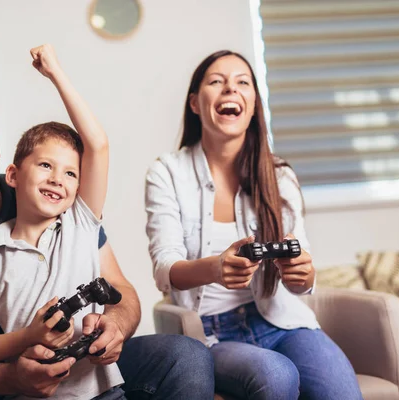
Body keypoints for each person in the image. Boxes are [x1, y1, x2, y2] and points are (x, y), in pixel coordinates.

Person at [0, 44, 214, 400]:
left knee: (187, 357)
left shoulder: (63, 211)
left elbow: (122, 292)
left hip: (84, 367)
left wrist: (113, 325)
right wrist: (15, 374)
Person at [144, 50, 363, 400]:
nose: (230, 88)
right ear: (196, 104)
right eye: (216, 81)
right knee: (275, 375)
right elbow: (164, 268)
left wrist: (303, 275)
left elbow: (303, 275)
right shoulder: (167, 173)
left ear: (254, 103)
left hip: (283, 322)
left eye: (242, 82)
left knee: (342, 394)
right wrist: (216, 268)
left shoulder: (279, 175)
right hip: (213, 333)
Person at [0, 43, 128, 400]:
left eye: (70, 173)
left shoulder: (80, 224)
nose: (57, 179)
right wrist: (28, 338)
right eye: (45, 166)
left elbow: (98, 144)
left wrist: (55, 74)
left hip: (102, 392)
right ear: (13, 175)